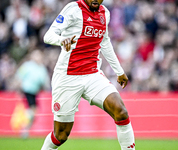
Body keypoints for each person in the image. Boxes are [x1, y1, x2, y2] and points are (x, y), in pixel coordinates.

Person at [41, 0, 135, 149]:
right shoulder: (73, 9)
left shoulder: (105, 13)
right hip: (68, 77)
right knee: (61, 135)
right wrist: (61, 40)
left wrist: (119, 71)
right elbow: (48, 35)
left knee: (121, 111)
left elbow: (104, 42)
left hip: (93, 75)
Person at [16, 50, 50, 138]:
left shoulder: (42, 68)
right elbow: (19, 76)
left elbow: (44, 81)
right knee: (32, 110)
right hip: (27, 90)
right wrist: (19, 88)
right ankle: (24, 128)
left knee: (34, 111)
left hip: (35, 92)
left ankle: (25, 128)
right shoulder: (28, 65)